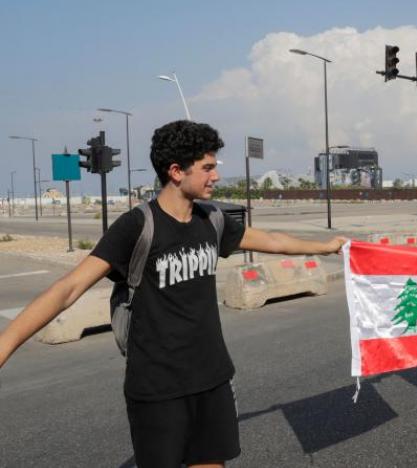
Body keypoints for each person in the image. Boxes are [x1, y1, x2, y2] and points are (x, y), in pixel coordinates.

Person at [0, 120, 347, 468]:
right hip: (157, 387)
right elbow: (68, 288)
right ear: (176, 171)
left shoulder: (212, 219)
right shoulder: (138, 226)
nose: (215, 176)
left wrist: (326, 246)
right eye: (207, 168)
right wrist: (6, 344)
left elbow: (271, 241)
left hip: (212, 378)